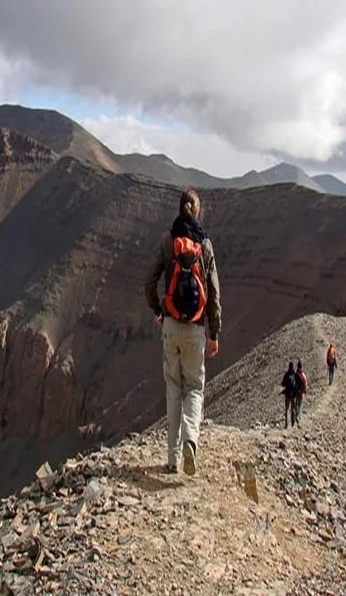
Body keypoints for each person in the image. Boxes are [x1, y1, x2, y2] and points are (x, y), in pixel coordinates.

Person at [145, 188, 222, 476]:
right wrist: (214, 333)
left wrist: (159, 311)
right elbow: (213, 292)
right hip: (195, 330)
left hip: (171, 325)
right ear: (198, 211)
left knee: (173, 388)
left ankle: (173, 460)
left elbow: (148, 282)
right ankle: (191, 438)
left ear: (179, 209)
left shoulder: (167, 241)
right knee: (194, 387)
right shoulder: (206, 245)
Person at [280, 361, 300, 428]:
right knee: (293, 409)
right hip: (294, 395)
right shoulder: (295, 374)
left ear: (289, 366)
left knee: (287, 409)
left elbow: (283, 383)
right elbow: (299, 383)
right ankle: (293, 424)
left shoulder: (286, 374)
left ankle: (286, 424)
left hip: (287, 394)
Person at [294, 360, 307, 424]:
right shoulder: (303, 374)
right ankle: (298, 416)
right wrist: (305, 390)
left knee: (296, 403)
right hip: (301, 392)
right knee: (300, 404)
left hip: (296, 391)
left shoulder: (295, 374)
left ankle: (295, 415)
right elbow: (305, 383)